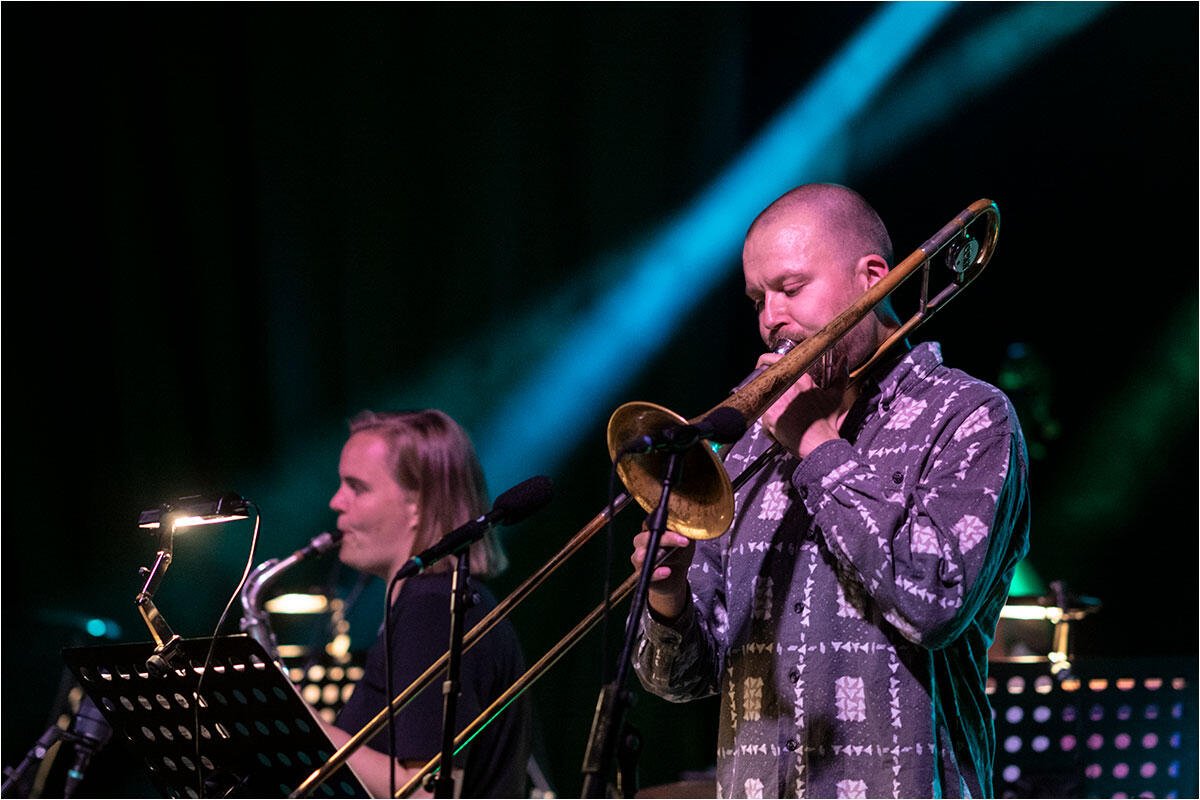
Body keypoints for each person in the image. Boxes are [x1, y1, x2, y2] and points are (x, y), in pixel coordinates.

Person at [630, 184, 1030, 798]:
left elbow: (936, 601)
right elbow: (679, 680)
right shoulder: (748, 447)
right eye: (758, 299)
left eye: (790, 289)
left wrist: (816, 446)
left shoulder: (970, 416)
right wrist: (668, 596)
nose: (769, 319)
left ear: (872, 279)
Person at [321, 409, 534, 798]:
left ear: (417, 503)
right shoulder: (432, 600)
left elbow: (425, 793)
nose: (336, 501)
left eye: (357, 487)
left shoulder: (434, 608)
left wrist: (309, 725)